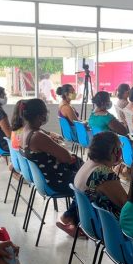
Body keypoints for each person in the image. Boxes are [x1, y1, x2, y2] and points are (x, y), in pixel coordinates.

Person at [20, 99, 83, 236]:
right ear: (39, 116)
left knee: (84, 176)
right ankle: (72, 220)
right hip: (55, 180)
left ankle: (70, 216)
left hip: (45, 178)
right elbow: (66, 157)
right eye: (45, 113)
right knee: (87, 183)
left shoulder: (26, 131)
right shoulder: (37, 136)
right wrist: (60, 146)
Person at [73, 132, 127, 219]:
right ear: (115, 151)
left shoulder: (88, 164)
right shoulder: (103, 173)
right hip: (105, 224)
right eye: (119, 147)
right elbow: (127, 206)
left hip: (88, 220)